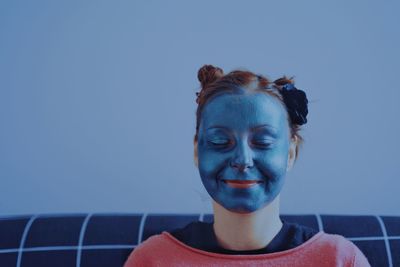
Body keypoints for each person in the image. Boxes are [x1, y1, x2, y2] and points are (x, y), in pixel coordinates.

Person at [124, 64, 371, 266]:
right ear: (197, 151)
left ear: (291, 153)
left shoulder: (339, 259)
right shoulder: (152, 259)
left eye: (263, 142)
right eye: (220, 141)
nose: (242, 160)